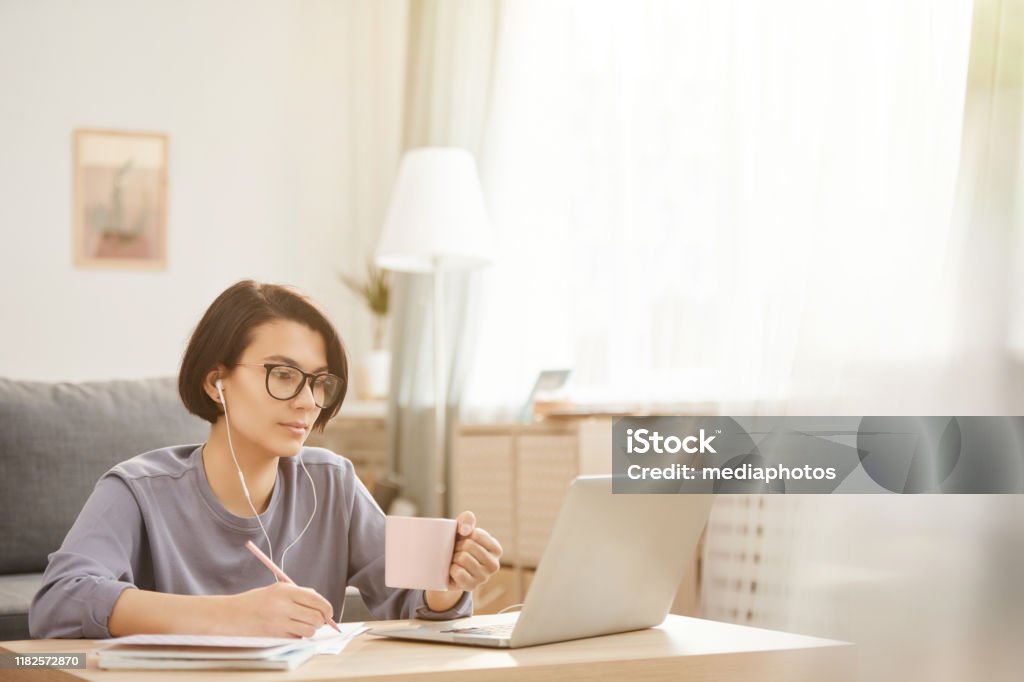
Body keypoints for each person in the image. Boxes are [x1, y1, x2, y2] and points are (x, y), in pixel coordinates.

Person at [29, 280, 502, 639]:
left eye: (319, 382)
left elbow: (410, 602)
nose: (307, 402)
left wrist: (448, 584)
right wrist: (231, 615)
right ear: (217, 382)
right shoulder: (137, 489)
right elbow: (59, 603)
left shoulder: (332, 482)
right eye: (283, 374)